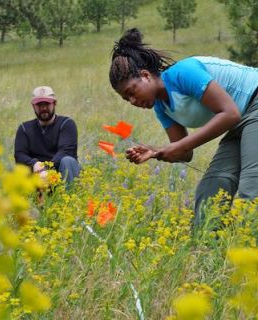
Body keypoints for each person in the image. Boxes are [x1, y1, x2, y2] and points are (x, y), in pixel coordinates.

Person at [109, 28, 258, 225]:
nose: (132, 101)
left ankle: (251, 247)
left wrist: (179, 147)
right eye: (126, 99)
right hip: (239, 123)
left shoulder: (183, 73)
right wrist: (155, 151)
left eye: (132, 92)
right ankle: (208, 250)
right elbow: (185, 153)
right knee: (211, 189)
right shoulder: (162, 108)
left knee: (252, 185)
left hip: (253, 103)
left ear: (145, 75)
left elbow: (230, 113)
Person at [14, 86, 81, 186]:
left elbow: (65, 151)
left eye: (47, 104)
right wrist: (34, 164)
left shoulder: (67, 124)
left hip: (61, 174)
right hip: (36, 176)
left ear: (54, 103)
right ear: (33, 106)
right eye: (39, 105)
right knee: (13, 171)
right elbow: (19, 155)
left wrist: (46, 169)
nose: (43, 108)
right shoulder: (24, 128)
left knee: (68, 161)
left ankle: (70, 195)